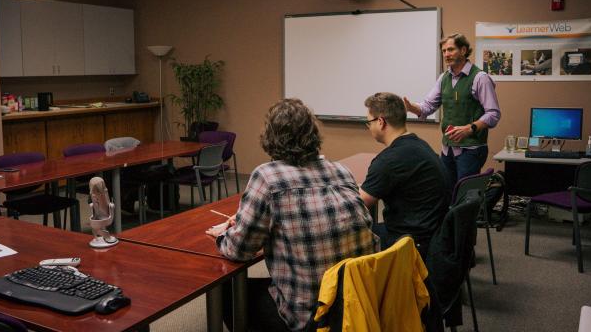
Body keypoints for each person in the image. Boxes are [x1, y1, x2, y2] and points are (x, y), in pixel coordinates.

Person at [206, 98, 379, 332]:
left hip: (313, 316)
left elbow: (239, 250)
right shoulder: (341, 172)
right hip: (356, 305)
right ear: (313, 133)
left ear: (270, 138)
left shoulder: (267, 177)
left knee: (229, 290)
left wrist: (225, 234)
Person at [359, 92, 449, 258]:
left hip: (410, 243)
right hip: (435, 236)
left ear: (380, 122)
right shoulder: (420, 145)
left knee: (354, 236)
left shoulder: (389, 160)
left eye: (368, 122)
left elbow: (358, 204)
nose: (368, 127)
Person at [404, 33, 501, 186]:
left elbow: (493, 114)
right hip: (447, 148)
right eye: (444, 51)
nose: (446, 54)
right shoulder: (444, 78)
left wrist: (470, 128)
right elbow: (428, 106)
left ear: (463, 50)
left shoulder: (480, 78)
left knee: (464, 197)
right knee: (447, 192)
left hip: (471, 149)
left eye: (450, 50)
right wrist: (411, 108)